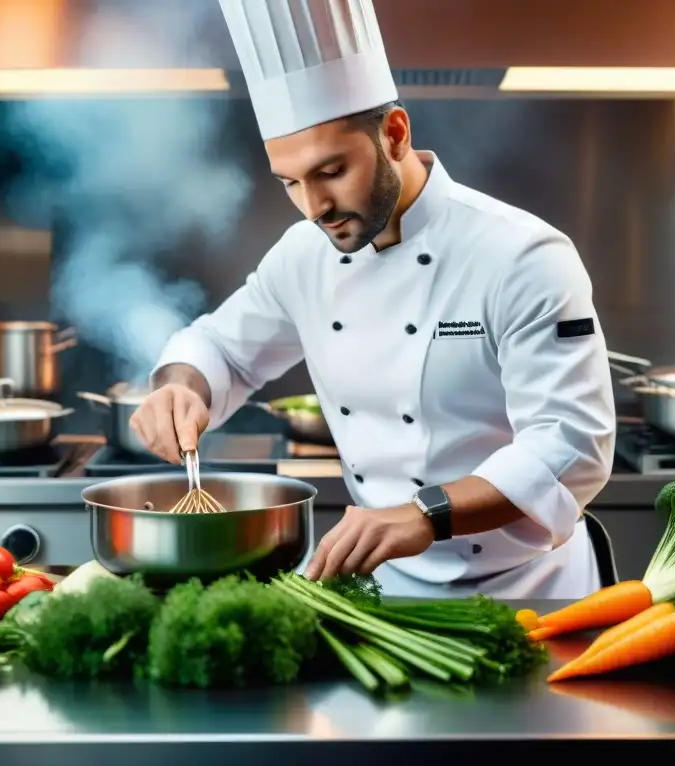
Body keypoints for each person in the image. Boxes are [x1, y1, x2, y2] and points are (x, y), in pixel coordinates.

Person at [129, 0, 617, 599]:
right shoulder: (303, 256)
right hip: (379, 592)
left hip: (531, 595)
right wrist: (180, 387)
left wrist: (423, 513)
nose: (314, 207)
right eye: (290, 183)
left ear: (394, 134)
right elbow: (220, 349)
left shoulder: (522, 256)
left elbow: (570, 446)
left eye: (331, 171)